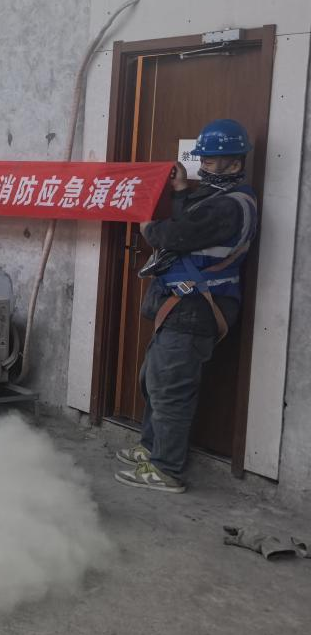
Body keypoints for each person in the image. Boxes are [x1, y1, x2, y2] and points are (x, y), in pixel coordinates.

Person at [115, 118, 259, 494]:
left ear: (235, 162)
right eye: (203, 157)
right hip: (183, 305)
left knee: (170, 389)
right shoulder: (213, 198)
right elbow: (187, 222)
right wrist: (179, 191)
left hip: (196, 307)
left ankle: (166, 469)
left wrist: (147, 225)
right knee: (154, 380)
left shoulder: (230, 206)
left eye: (213, 158)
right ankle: (152, 448)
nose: (205, 162)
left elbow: (175, 235)